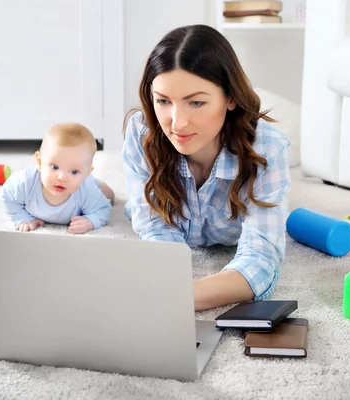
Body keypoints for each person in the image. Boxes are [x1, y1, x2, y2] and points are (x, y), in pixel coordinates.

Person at [122, 24, 291, 311]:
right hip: (150, 211)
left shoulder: (268, 148)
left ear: (231, 98)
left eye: (196, 102)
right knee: (125, 208)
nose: (177, 123)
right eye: (163, 101)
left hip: (241, 224)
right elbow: (156, 230)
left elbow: (261, 261)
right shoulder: (143, 133)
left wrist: (179, 298)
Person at [1, 122, 115, 234]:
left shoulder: (87, 190)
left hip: (88, 186)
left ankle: (98, 183)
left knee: (109, 196)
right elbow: (7, 195)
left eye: (74, 171)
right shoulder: (25, 182)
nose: (62, 177)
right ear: (39, 162)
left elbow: (103, 210)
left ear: (86, 174)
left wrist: (90, 221)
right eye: (54, 167)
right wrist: (22, 218)